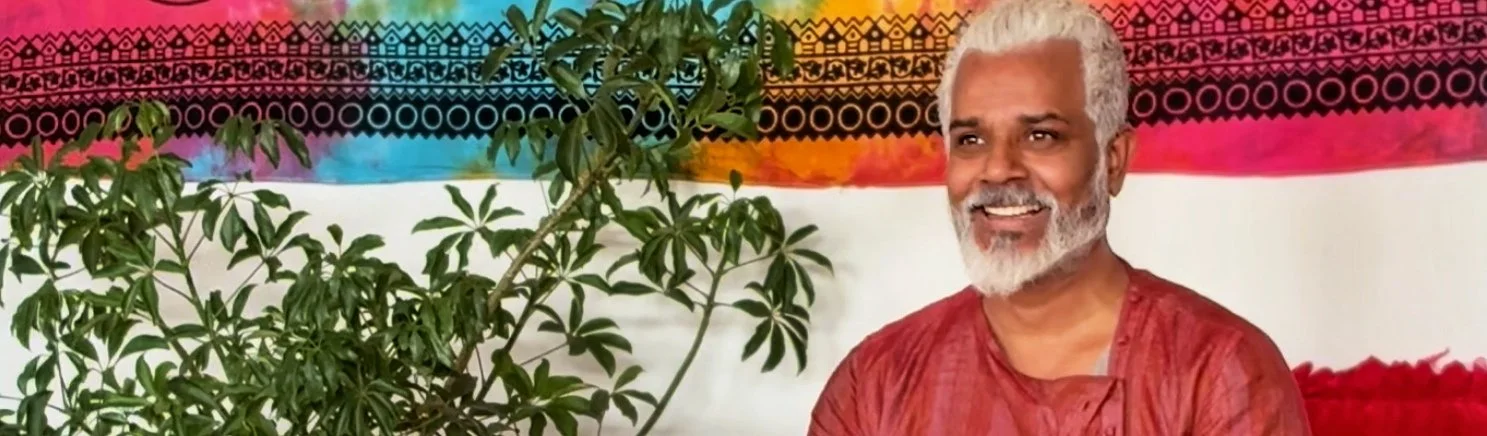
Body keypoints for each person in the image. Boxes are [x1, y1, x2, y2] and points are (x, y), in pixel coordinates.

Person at [807, 0, 1312, 434]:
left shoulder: (1220, 371)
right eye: (971, 139)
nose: (998, 169)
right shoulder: (876, 382)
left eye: (1041, 135)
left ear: (1113, 160)